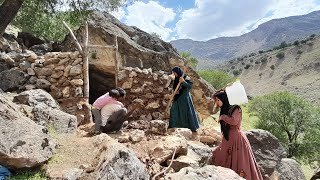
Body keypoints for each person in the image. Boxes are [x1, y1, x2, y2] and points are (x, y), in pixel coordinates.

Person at [212, 91, 263, 180]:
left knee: (239, 161)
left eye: (218, 100)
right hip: (228, 138)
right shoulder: (225, 108)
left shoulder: (236, 109)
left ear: (224, 99)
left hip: (236, 139)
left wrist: (223, 117)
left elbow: (234, 121)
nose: (217, 102)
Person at [168, 66, 199, 132]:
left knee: (186, 112)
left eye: (175, 73)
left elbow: (189, 86)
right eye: (173, 73)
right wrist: (173, 95)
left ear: (178, 72)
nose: (175, 74)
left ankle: (190, 127)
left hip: (185, 98)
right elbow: (176, 89)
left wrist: (183, 81)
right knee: (173, 109)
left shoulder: (186, 77)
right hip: (177, 98)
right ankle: (173, 126)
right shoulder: (176, 79)